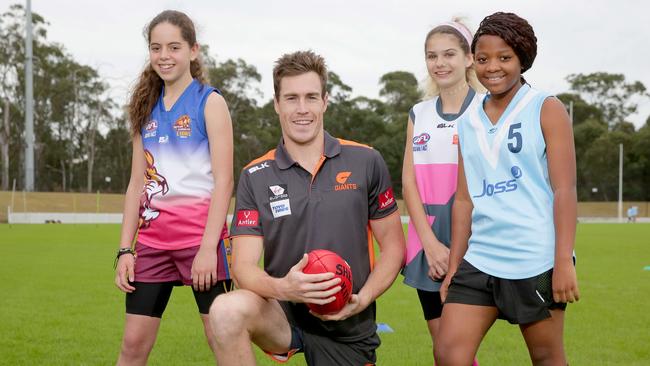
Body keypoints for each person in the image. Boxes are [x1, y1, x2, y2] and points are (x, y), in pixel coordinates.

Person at [208, 50, 405, 366]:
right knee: (225, 310)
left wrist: (363, 298)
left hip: (349, 320)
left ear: (325, 101)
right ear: (276, 104)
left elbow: (394, 247)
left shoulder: (366, 161)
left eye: (311, 97)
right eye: (291, 98)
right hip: (283, 312)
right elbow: (243, 267)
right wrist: (285, 288)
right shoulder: (255, 175)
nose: (302, 109)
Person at [436, 12, 580, 366]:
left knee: (546, 356)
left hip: (537, 258)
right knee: (449, 353)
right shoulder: (468, 120)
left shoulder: (545, 107)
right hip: (481, 256)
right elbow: (464, 200)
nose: (492, 67)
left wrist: (563, 260)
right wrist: (455, 264)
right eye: (483, 59)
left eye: (504, 57)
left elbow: (565, 189)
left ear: (522, 58)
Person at [113, 10, 234, 366]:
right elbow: (137, 184)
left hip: (201, 242)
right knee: (132, 346)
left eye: (174, 47)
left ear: (193, 51)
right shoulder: (144, 108)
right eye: (156, 47)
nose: (164, 55)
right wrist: (125, 250)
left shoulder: (209, 102)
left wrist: (208, 248)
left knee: (222, 339)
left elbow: (225, 180)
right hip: (152, 245)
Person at [400, 18, 482, 365]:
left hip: (475, 239)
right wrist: (430, 244)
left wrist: (459, 247)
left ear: (469, 58)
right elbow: (408, 183)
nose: (440, 63)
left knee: (455, 348)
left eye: (449, 54)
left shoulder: (487, 108)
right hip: (426, 242)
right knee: (442, 349)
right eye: (432, 56)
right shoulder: (418, 113)